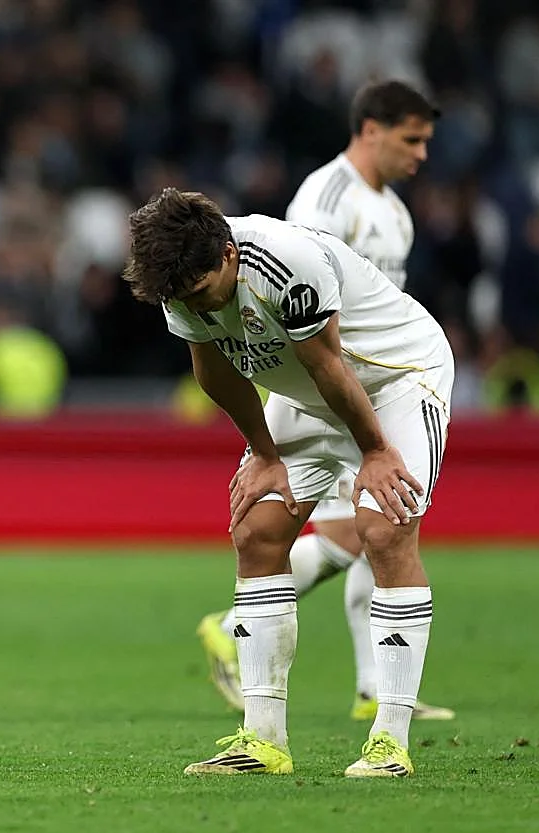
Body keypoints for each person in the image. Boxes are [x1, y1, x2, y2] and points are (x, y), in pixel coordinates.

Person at [124, 189, 452, 777]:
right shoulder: (180, 276)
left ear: (228, 253)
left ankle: (390, 742)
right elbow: (214, 370)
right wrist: (263, 453)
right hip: (307, 389)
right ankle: (262, 741)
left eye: (200, 293)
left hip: (394, 379)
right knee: (256, 530)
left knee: (383, 527)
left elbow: (332, 366)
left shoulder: (285, 262)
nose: (191, 306)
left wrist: (376, 451)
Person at [196, 80, 455, 722]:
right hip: (323, 383)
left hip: (370, 378)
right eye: (411, 139)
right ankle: (236, 630)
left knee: (370, 530)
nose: (421, 155)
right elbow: (298, 313)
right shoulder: (325, 196)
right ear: (371, 128)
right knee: (353, 528)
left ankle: (374, 689)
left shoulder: (396, 213)